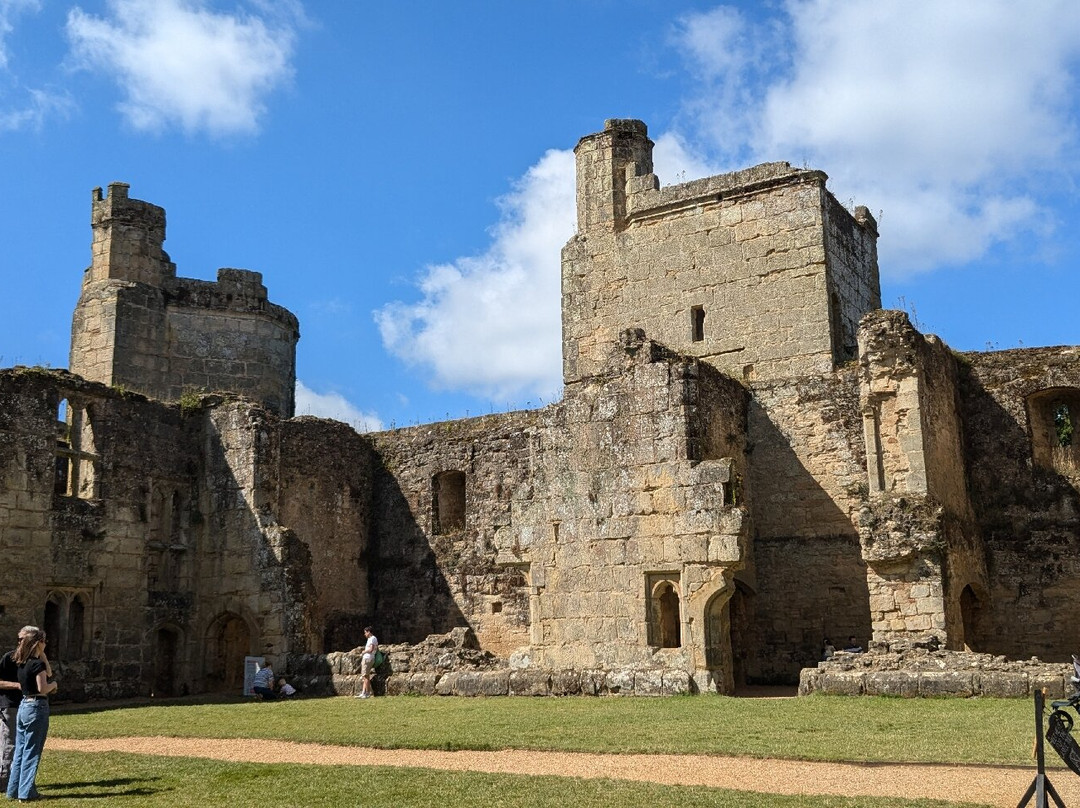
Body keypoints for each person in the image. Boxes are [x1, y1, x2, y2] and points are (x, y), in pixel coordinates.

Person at [6, 627, 57, 803]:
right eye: (44, 641)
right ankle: (27, 792)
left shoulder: (23, 662)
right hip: (36, 707)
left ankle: (13, 790)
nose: (46, 644)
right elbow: (43, 687)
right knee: (32, 752)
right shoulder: (37, 664)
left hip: (23, 707)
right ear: (39, 642)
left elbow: (47, 672)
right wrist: (54, 685)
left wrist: (41, 653)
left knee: (21, 750)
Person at [0, 627, 33, 794]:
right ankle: (3, 782)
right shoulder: (9, 658)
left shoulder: (33, 660)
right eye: (19, 639)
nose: (20, 642)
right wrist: (18, 685)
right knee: (9, 744)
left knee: (25, 745)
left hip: (29, 706)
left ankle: (18, 781)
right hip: (9, 705)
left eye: (24, 639)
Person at [356, 626, 378, 699]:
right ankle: (363, 692)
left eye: (365, 632)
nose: (365, 634)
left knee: (366, 677)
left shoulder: (372, 638)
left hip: (368, 658)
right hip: (367, 658)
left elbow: (371, 649)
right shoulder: (370, 639)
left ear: (369, 632)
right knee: (365, 676)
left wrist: (364, 652)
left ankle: (367, 693)